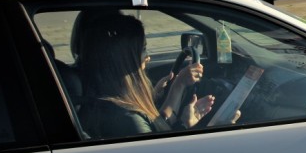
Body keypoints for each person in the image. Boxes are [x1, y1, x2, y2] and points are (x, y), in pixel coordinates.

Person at [78, 12, 214, 139]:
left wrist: (176, 86)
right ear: (124, 59)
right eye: (143, 49)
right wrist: (186, 124)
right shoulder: (127, 119)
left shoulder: (108, 104)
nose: (148, 57)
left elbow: (158, 126)